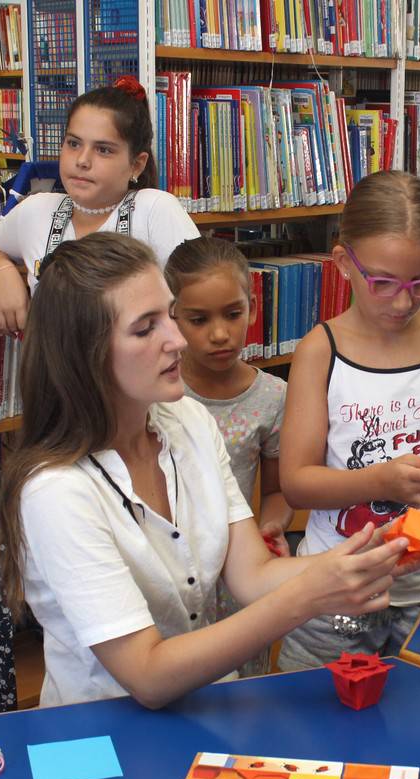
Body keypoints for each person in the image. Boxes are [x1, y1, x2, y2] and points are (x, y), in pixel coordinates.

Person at [0, 231, 420, 709]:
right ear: (85, 354)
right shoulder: (56, 492)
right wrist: (309, 595)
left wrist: (366, 558)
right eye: (146, 328)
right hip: (104, 730)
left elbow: (253, 575)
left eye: (169, 315)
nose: (178, 340)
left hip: (203, 706)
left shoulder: (189, 422)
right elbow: (147, 675)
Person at [277, 170, 420, 670]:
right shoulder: (321, 351)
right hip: (340, 589)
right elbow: (296, 483)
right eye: (382, 283)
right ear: (344, 264)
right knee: (315, 706)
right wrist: (382, 481)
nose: (403, 302)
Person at [0, 77, 199, 335]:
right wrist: (0, 272)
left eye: (103, 150)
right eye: (73, 143)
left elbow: (204, 301)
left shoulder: (155, 210)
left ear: (136, 165)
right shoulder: (36, 210)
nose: (82, 160)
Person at [165, 236, 293, 675]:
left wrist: (271, 527)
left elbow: (277, 491)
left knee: (241, 683)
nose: (219, 334)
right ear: (171, 316)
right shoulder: (159, 394)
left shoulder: (272, 397)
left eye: (233, 314)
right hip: (173, 575)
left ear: (253, 309)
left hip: (239, 571)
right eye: (198, 319)